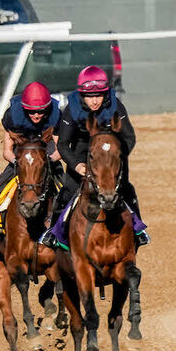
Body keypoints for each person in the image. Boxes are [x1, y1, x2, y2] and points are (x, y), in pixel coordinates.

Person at [40, 65, 149, 248]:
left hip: (111, 153)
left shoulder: (116, 106)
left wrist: (116, 158)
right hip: (82, 152)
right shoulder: (72, 108)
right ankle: (54, 233)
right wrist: (77, 165)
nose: (95, 101)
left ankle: (138, 231)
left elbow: (129, 137)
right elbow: (64, 144)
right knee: (67, 191)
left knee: (127, 190)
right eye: (90, 96)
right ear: (82, 94)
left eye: (99, 95)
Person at [0, 81, 62, 233]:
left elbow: (59, 148)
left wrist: (45, 162)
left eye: (41, 111)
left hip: (46, 153)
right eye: (31, 111)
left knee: (67, 187)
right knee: (0, 187)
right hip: (21, 153)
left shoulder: (56, 116)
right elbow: (7, 151)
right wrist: (20, 163)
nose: (36, 115)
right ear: (24, 109)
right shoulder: (12, 116)